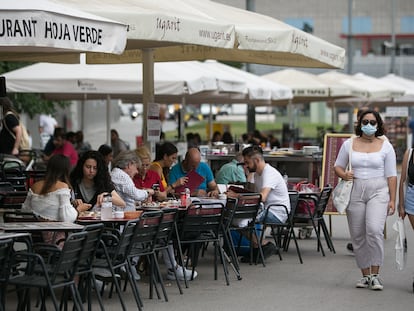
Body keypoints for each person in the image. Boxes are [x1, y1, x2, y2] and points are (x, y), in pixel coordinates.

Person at [334, 109, 397, 291]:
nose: (368, 125)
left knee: (374, 230)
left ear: (378, 125)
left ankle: (376, 275)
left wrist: (393, 200)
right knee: (358, 235)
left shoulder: (386, 146)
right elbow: (337, 166)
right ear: (359, 124)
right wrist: (345, 174)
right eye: (365, 122)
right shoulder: (349, 144)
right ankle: (365, 275)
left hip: (379, 190)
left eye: (372, 122)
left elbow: (392, 175)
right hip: (355, 190)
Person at [232, 145, 287, 260]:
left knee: (238, 220)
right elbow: (251, 193)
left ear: (257, 160)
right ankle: (259, 246)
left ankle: (262, 245)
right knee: (234, 219)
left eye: (247, 163)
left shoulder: (269, 173)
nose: (245, 166)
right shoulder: (257, 174)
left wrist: (237, 195)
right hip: (266, 209)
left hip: (276, 212)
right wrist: (249, 176)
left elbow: (262, 197)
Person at [22, 154, 90, 245]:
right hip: (59, 242)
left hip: (35, 241)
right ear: (66, 170)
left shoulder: (35, 186)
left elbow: (25, 212)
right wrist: (79, 210)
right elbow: (67, 218)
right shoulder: (62, 187)